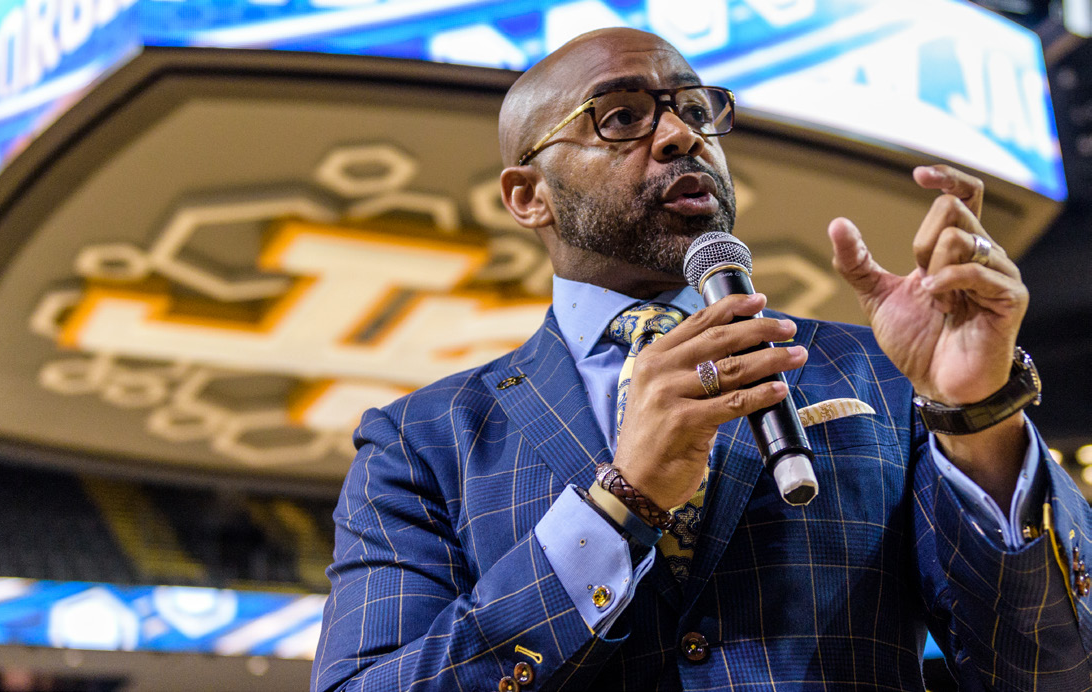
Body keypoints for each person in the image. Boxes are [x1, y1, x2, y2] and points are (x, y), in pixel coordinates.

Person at [311, 27, 1092, 691]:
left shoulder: (880, 374)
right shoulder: (422, 439)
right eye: (619, 117)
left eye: (693, 109)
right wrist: (618, 505)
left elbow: (1049, 670)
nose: (683, 134)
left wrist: (977, 413)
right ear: (528, 195)